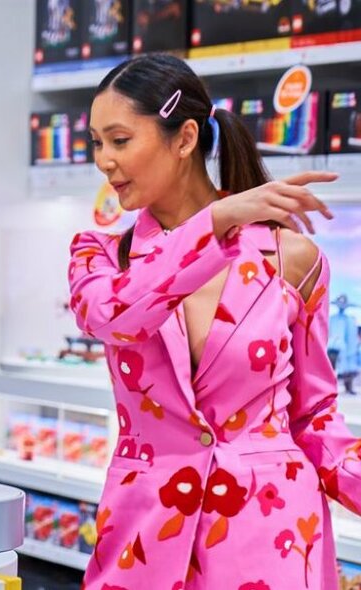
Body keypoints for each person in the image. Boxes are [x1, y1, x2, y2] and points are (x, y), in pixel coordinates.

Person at [68, 53, 352, 589]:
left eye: (120, 140)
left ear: (184, 137)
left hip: (271, 533)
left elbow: (314, 417)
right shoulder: (101, 256)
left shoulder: (291, 258)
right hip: (142, 539)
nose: (104, 160)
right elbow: (114, 317)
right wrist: (215, 221)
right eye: (96, 142)